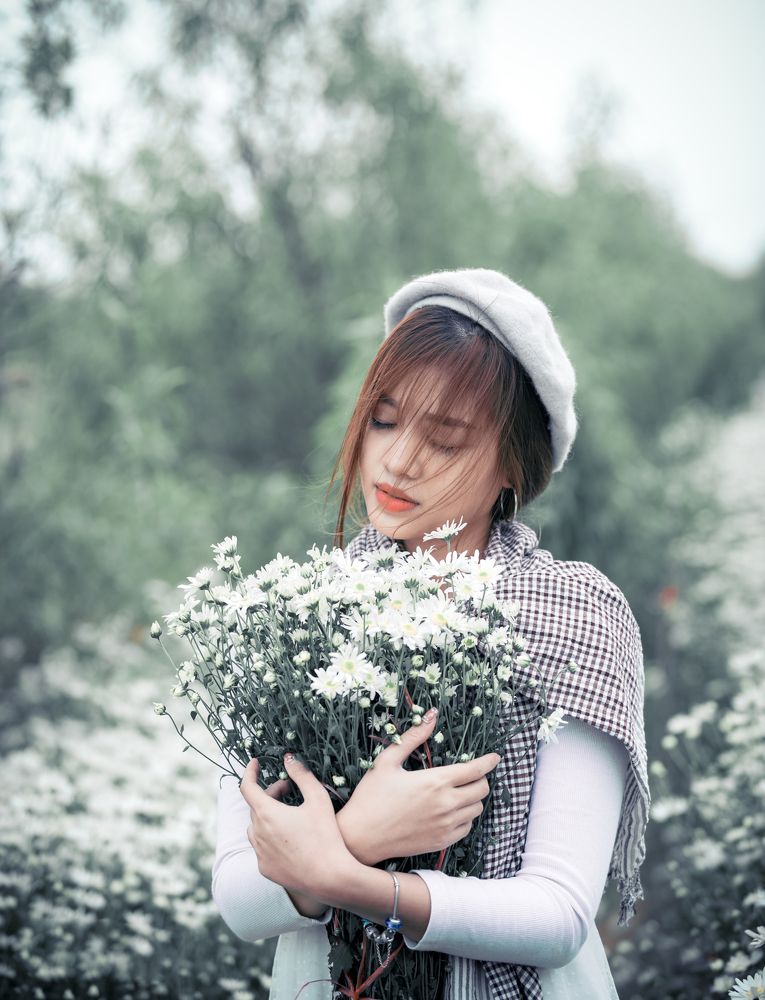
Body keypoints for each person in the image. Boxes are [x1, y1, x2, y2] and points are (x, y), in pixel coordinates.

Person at [212, 268, 650, 1000]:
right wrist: (362, 833)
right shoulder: (293, 619)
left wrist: (343, 878)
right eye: (382, 419)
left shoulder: (572, 612)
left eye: (445, 439)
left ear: (515, 463)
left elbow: (558, 915)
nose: (399, 459)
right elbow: (238, 897)